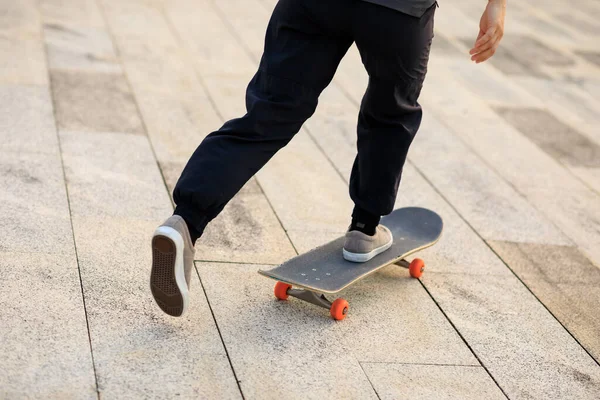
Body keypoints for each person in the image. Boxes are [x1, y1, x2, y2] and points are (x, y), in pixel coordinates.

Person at [150, 0, 507, 316]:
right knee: (390, 115)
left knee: (271, 113)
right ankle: (364, 230)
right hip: (398, 11)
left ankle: (186, 221)